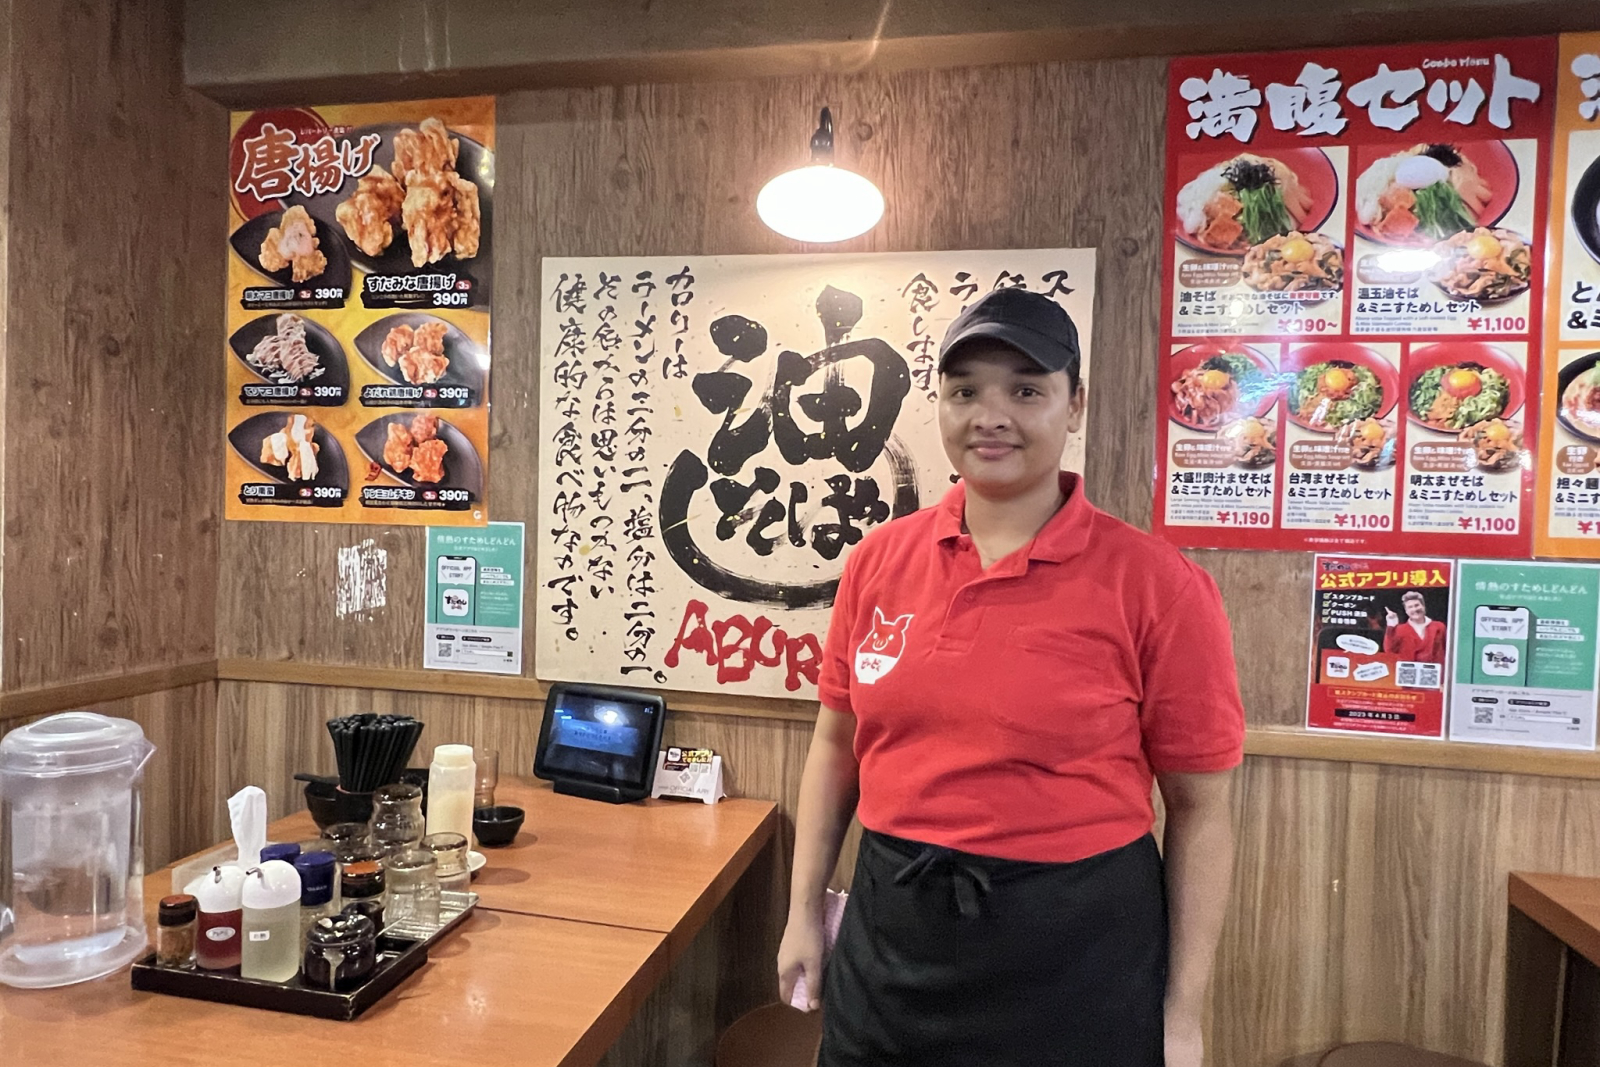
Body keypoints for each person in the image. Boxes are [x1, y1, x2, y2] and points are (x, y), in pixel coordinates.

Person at [776, 288, 1246, 1067]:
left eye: (1026, 389)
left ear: (1076, 404)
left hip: (1079, 950)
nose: (989, 414)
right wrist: (801, 913)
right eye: (965, 391)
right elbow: (836, 746)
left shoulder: (1158, 584)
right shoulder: (879, 561)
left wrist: (1183, 1011)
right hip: (893, 934)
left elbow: (1202, 810)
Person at [1383, 589, 1447, 664]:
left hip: (1435, 673)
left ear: (1423, 606)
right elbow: (1389, 649)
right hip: (1409, 672)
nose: (1414, 609)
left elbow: (1449, 650)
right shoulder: (1400, 629)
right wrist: (1391, 624)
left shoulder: (1439, 627)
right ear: (1406, 611)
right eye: (1410, 607)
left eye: (1417, 605)